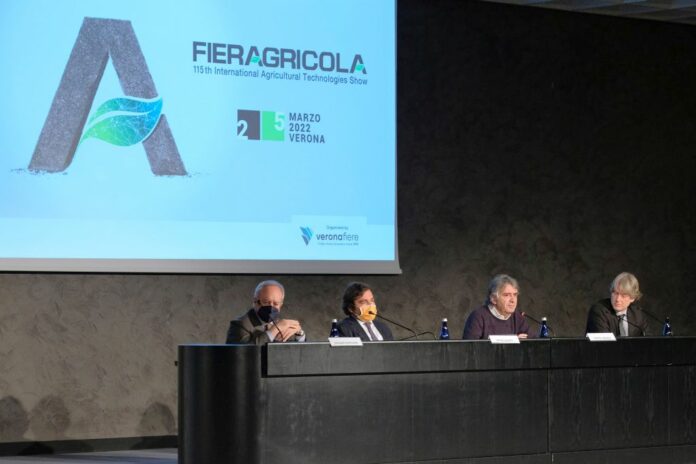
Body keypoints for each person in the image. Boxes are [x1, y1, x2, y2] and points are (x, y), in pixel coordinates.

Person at [225, 280, 305, 344]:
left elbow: (298, 352)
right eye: (266, 302)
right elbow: (245, 352)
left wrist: (299, 334)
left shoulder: (281, 323)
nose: (271, 307)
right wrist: (273, 331)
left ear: (280, 305)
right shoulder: (240, 325)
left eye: (276, 304)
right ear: (255, 301)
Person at [462, 274, 530, 339]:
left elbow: (532, 342)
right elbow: (470, 346)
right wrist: (513, 340)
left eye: (515, 295)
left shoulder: (518, 317)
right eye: (506, 295)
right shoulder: (478, 316)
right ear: (494, 299)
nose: (513, 300)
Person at [586, 272, 648, 336]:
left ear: (632, 298)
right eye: (615, 293)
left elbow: (647, 339)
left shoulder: (638, 315)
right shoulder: (599, 311)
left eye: (623, 295)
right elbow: (604, 341)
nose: (618, 299)